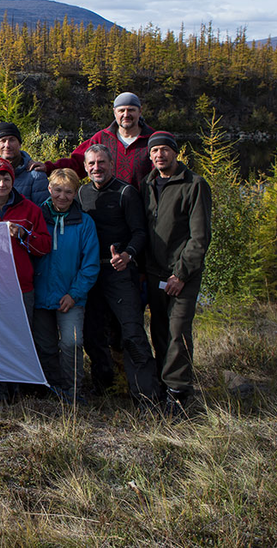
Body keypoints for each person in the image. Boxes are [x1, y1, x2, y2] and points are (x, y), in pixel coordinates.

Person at [77, 145, 159, 403]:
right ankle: (105, 387)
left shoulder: (126, 192)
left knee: (131, 332)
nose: (96, 168)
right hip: (91, 272)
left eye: (101, 163)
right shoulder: (81, 193)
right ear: (86, 167)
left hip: (121, 272)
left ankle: (146, 395)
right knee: (92, 334)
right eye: (91, 164)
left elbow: (140, 232)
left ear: (111, 165)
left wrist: (128, 255)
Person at [0, 157, 51, 402]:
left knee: (18, 340)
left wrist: (23, 235)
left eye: (6, 178)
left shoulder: (29, 209)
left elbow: (44, 246)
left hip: (20, 287)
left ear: (12, 181)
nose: (2, 183)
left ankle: (17, 389)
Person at [142, 131, 212, 413]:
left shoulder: (194, 184)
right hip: (154, 272)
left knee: (178, 330)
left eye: (165, 150)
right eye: (155, 151)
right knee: (159, 331)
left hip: (182, 274)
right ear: (150, 156)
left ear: (175, 152)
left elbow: (200, 237)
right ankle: (162, 386)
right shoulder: (147, 185)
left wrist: (181, 274)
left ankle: (179, 393)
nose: (160, 155)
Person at [31, 169, 99, 405]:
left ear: (75, 193)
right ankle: (52, 387)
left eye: (68, 192)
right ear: (49, 189)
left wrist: (75, 294)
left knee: (71, 343)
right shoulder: (37, 215)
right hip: (40, 294)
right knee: (46, 345)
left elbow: (90, 265)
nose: (62, 196)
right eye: (57, 190)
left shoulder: (84, 222)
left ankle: (73, 389)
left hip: (71, 296)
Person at [35, 92, 154, 188]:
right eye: (121, 110)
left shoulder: (152, 140)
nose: (126, 114)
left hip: (142, 208)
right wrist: (48, 168)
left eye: (131, 110)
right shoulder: (101, 138)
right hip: (107, 204)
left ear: (140, 111)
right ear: (114, 112)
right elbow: (77, 164)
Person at [0, 122, 49, 205]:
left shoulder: (36, 176)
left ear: (19, 144)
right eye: (3, 140)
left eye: (12, 140)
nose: (7, 145)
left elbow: (42, 212)